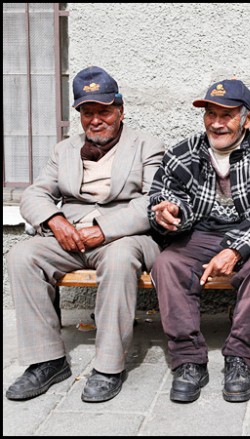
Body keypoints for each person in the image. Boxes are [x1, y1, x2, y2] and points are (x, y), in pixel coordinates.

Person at [5, 66, 165, 403]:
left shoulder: (146, 145)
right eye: (87, 112)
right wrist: (55, 220)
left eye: (104, 111)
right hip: (70, 234)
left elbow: (153, 202)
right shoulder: (64, 149)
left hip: (125, 234)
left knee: (120, 259)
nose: (96, 120)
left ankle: (109, 366)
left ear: (120, 110)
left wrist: (103, 230)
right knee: (22, 256)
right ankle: (47, 360)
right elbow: (35, 195)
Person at [148, 78, 250, 404]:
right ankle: (188, 360)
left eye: (227, 115)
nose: (217, 123)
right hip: (199, 235)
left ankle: (240, 357)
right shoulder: (182, 153)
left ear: (248, 118)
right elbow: (161, 198)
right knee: (167, 263)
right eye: (210, 113)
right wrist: (169, 212)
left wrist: (236, 249)